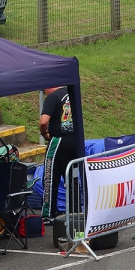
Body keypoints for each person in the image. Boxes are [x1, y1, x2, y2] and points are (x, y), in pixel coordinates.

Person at [39, 86, 81, 221]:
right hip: (76, 140)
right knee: (72, 177)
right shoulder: (72, 94)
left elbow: (43, 121)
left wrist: (44, 133)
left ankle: (48, 214)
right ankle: (75, 213)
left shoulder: (53, 97)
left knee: (50, 176)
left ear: (49, 87)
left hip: (59, 140)